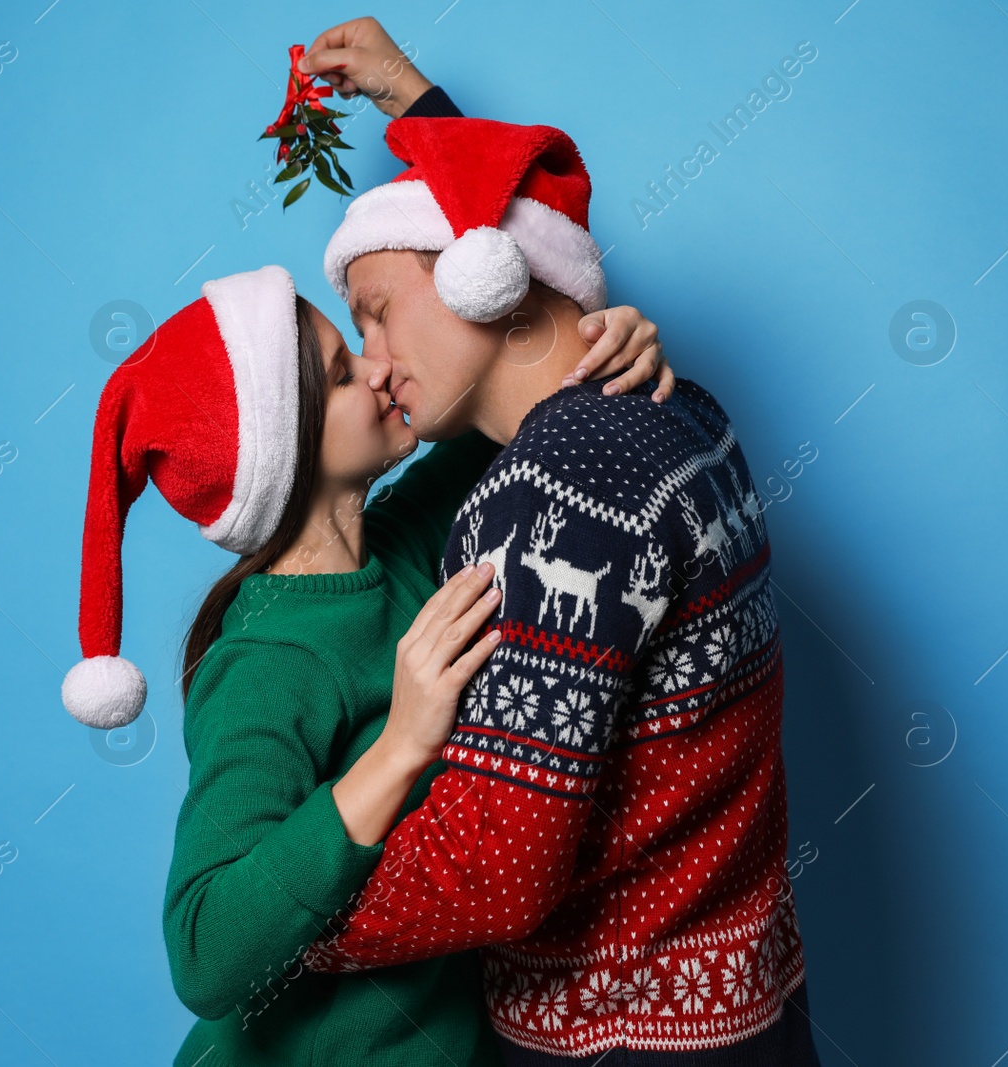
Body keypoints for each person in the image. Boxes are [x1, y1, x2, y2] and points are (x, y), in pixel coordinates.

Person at [295, 18, 824, 1067]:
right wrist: (415, 100)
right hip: (749, 1006)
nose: (374, 360)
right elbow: (501, 217)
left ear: (476, 275)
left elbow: (495, 864)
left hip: (608, 1036)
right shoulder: (684, 411)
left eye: (376, 312)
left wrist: (280, 931)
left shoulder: (555, 484)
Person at [60, 261, 676, 1065]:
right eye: (344, 373)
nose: (380, 366)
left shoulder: (405, 538)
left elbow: (536, 398)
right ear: (287, 443)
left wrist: (607, 343)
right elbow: (204, 951)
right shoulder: (265, 662)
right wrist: (400, 748)